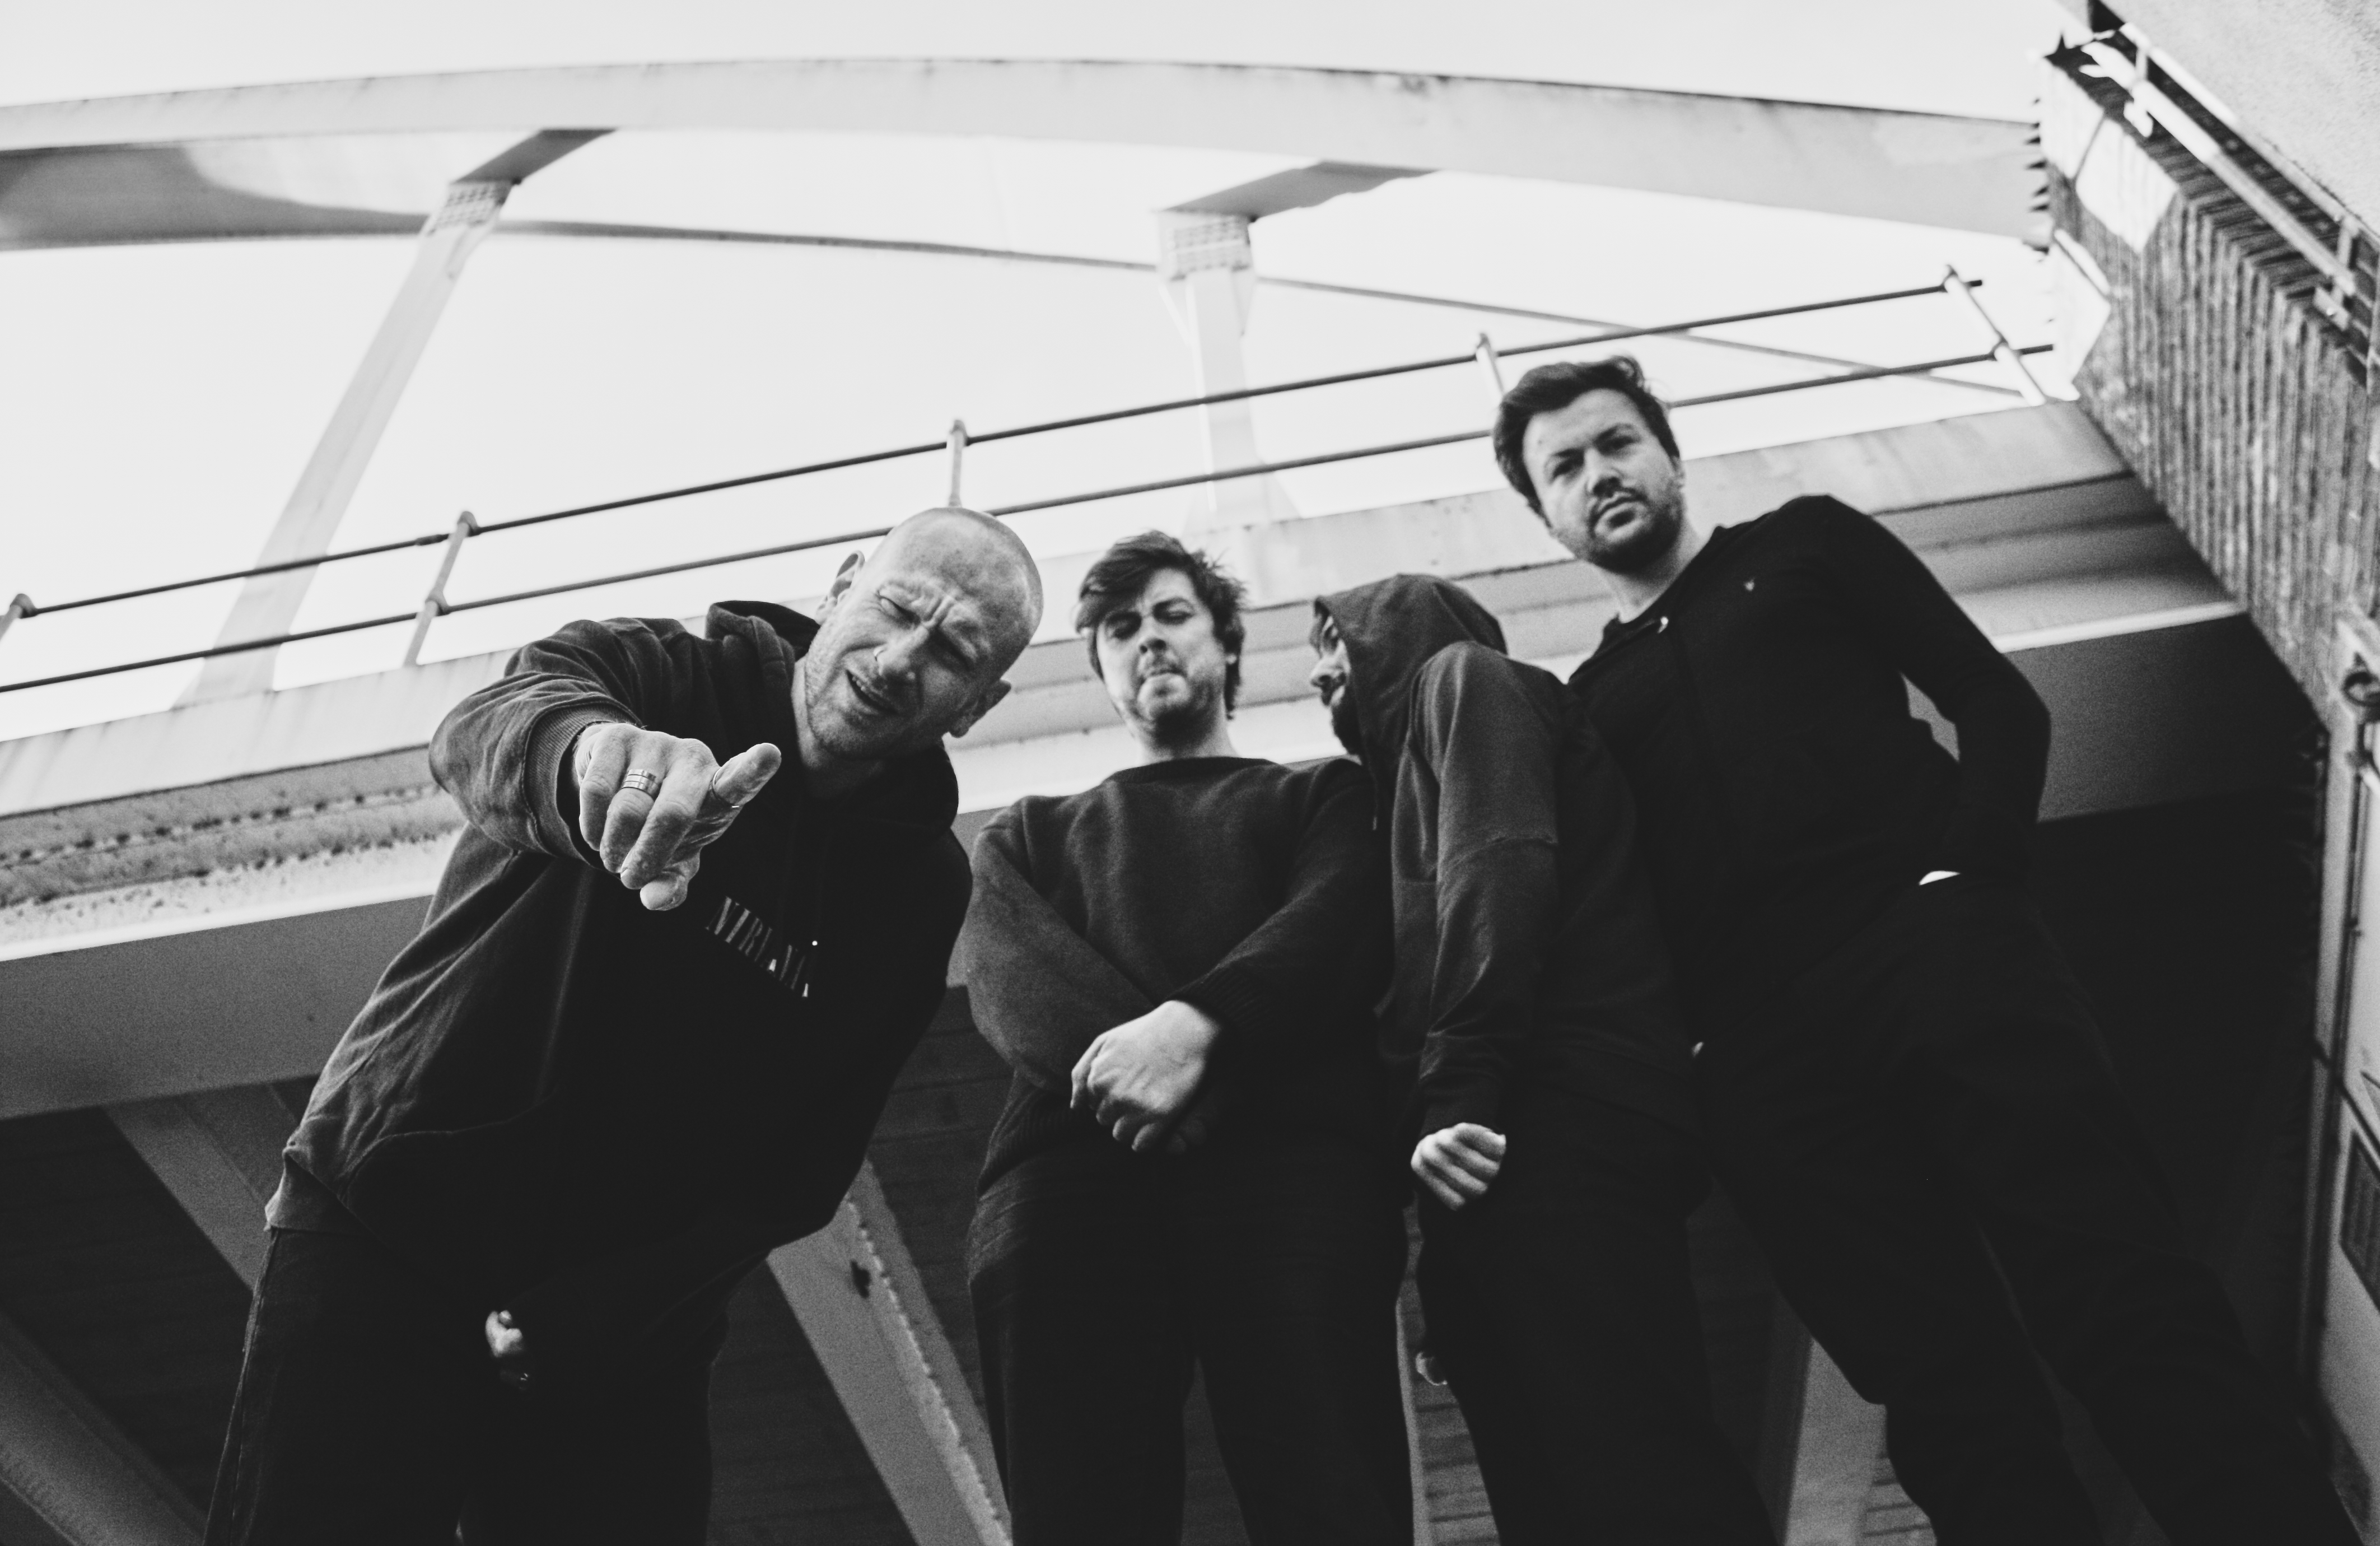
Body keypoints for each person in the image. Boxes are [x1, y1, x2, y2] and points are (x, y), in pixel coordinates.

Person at [1501, 355, 2359, 1545]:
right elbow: (1611, 913)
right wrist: (1705, 1052)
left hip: (1939, 955)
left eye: (1614, 443)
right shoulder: (1590, 702)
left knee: (2120, 1288)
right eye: (1565, 467)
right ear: (1544, 517)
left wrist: (1967, 887)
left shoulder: (1804, 545)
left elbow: (1997, 700)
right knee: (1946, 1396)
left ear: (1667, 453)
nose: (1598, 473)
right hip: (1769, 1069)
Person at [206, 508, 1044, 1546]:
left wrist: (586, 1323)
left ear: (982, 703)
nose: (903, 657)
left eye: (955, 651)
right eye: (899, 609)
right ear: (843, 583)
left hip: (618, 1345)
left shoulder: (921, 890)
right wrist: (595, 761)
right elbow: (488, 730)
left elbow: (801, 1170)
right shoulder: (652, 673)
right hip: (393, 1226)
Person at [1307, 572, 1776, 1545]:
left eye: (1334, 639)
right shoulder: (1390, 800)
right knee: (1554, 1500)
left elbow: (1502, 860)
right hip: (1498, 1148)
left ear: (1394, 631)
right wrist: (1448, 1257)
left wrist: (1458, 1089)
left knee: (1642, 1472)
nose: (1320, 671)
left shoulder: (1465, 679)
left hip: (1553, 1115)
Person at [962, 531, 1411, 1546]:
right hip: (1065, 1179)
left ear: (1226, 644)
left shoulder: (1322, 794)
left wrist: (1196, 1031)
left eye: (1172, 617)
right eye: (1121, 630)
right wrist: (1145, 1066)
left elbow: (1341, 924)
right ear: (1102, 670)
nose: (1148, 641)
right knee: (1080, 1512)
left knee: (1331, 1493)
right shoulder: (1027, 829)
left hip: (1293, 1173)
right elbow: (1006, 976)